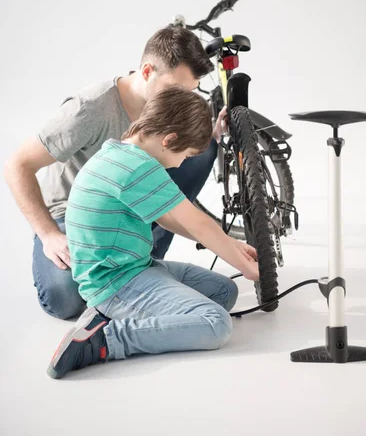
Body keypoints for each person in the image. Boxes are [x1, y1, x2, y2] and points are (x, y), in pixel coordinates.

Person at [4, 25, 228, 320]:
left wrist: (207, 136)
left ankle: (144, 266)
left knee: (202, 152)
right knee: (65, 300)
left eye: (189, 92)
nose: (184, 101)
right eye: (176, 90)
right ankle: (128, 279)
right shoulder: (89, 109)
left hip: (130, 212)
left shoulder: (169, 115)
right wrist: (48, 235)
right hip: (73, 216)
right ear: (147, 71)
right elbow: (17, 165)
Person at [47, 86, 259, 379]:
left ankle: (107, 315)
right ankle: (103, 340)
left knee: (225, 291)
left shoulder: (118, 152)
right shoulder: (138, 168)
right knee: (216, 323)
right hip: (117, 283)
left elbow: (172, 220)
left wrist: (234, 249)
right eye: (185, 155)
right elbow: (197, 222)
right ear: (169, 140)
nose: (183, 163)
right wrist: (246, 267)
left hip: (137, 269)